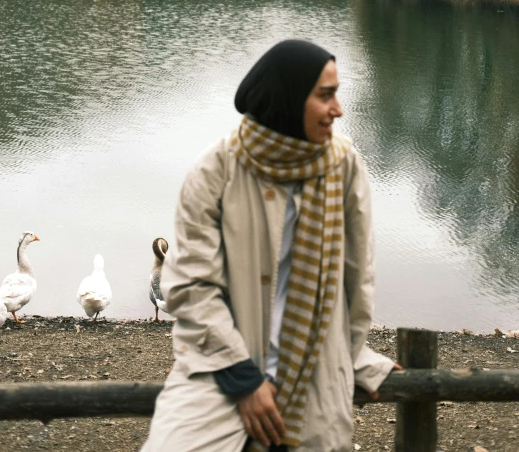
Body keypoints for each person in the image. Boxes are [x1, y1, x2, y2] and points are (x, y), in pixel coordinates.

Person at [141, 39, 398, 452]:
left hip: (316, 374)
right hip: (220, 372)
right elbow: (191, 288)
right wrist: (244, 380)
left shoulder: (345, 165)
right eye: (326, 95)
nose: (339, 109)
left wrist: (348, 357)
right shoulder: (216, 170)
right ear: (289, 99)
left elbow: (357, 282)